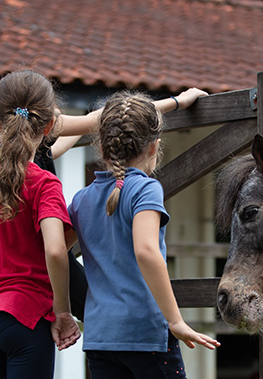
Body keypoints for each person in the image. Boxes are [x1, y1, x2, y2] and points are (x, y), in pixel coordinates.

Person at [69, 90, 220, 378]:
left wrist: (69, 306)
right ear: (154, 147)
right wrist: (175, 321)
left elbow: (54, 252)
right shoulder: (145, 188)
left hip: (101, 337)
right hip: (144, 334)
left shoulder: (80, 199)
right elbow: (146, 251)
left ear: (101, 147)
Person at [0, 70, 80, 378]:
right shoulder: (45, 183)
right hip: (26, 315)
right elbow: (55, 251)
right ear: (49, 127)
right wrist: (62, 312)